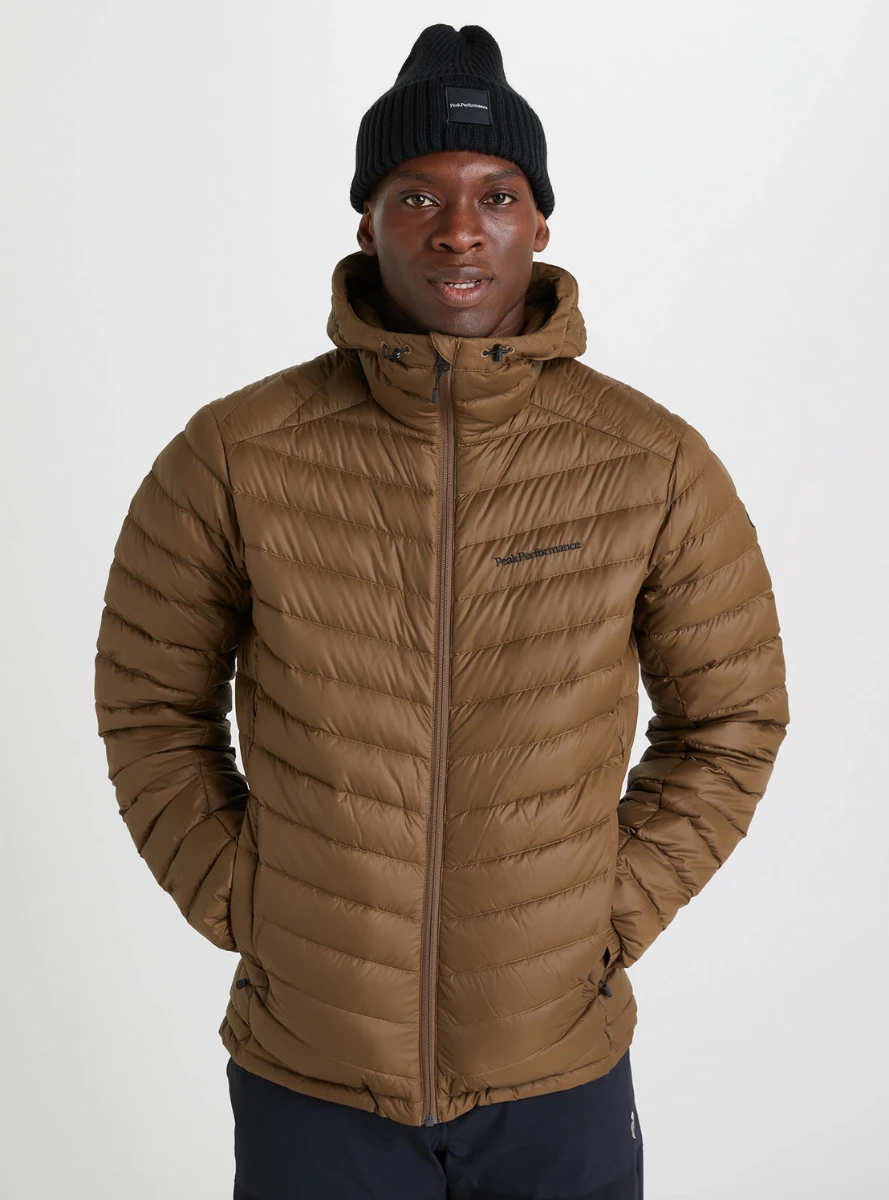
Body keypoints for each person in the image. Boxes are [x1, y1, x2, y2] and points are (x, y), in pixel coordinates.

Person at [94, 22, 790, 1200]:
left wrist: (601, 913)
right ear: (366, 221)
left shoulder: (650, 462)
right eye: (417, 195)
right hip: (311, 1074)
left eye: (495, 196)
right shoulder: (234, 454)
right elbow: (148, 704)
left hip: (556, 1072)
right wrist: (246, 898)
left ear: (540, 223)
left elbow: (732, 720)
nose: (459, 230)